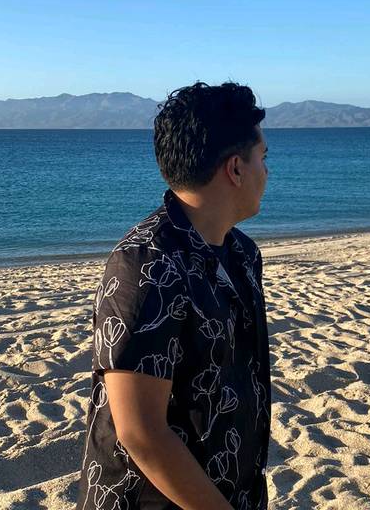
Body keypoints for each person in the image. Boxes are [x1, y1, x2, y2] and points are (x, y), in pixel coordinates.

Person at [76, 81, 271, 510]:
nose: (267, 171)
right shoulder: (145, 264)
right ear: (235, 169)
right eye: (263, 157)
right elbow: (140, 432)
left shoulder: (242, 254)